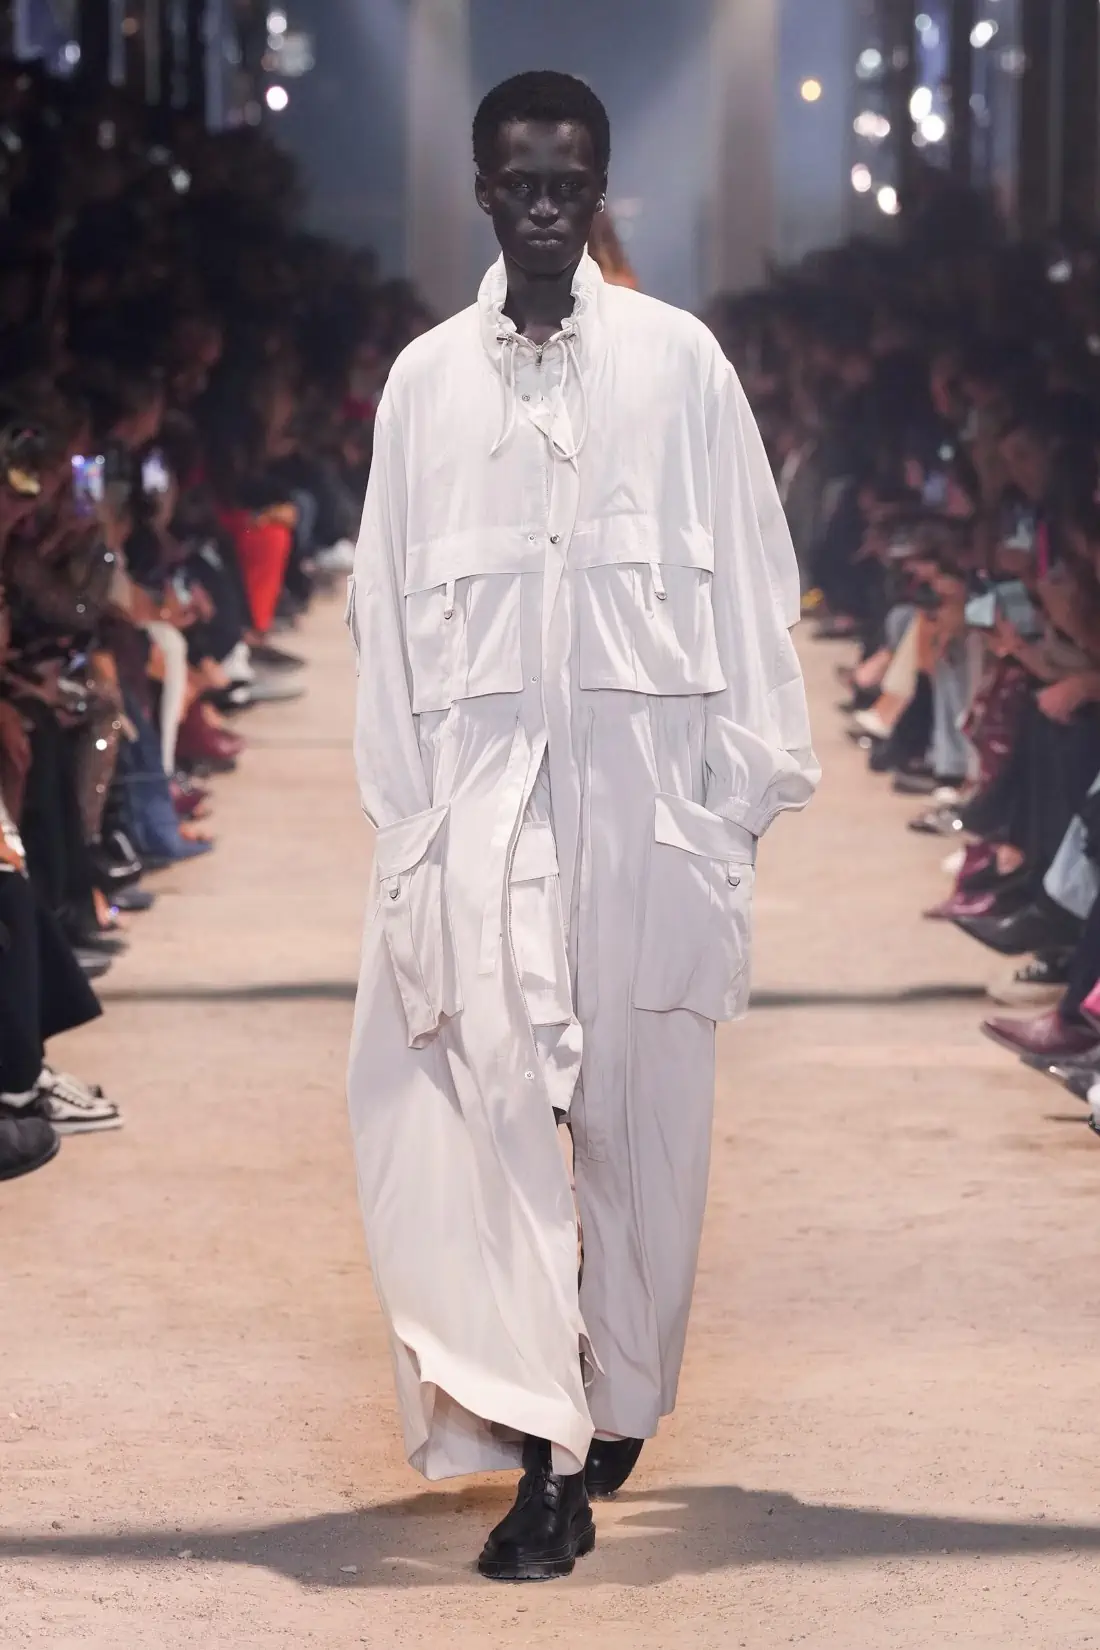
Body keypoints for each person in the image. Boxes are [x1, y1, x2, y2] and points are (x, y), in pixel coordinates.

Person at [345, 70, 819, 1583]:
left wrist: (734, 813)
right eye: (521, 183)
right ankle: (548, 1462)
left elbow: (753, 588)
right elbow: (383, 628)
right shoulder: (425, 385)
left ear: (598, 189)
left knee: (639, 1148)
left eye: (569, 184)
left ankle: (613, 1397)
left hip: (645, 813)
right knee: (493, 1132)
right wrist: (408, 842)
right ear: (484, 191)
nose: (546, 208)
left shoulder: (682, 367)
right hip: (485, 817)